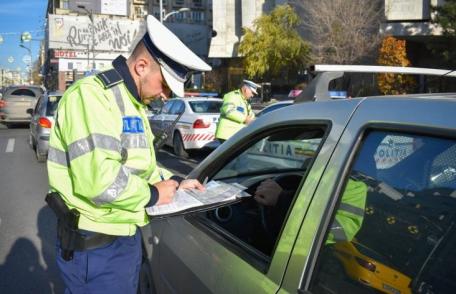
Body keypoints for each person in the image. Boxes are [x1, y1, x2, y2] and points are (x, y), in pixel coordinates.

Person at [46, 15, 211, 294]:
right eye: (165, 85)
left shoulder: (132, 103)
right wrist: (155, 194)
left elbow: (140, 167)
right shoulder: (92, 96)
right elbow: (99, 181)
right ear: (142, 65)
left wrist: (172, 182)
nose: (165, 96)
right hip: (96, 245)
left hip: (122, 236)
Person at [254, 177, 367, 245]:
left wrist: (282, 199)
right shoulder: (324, 165)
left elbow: (340, 232)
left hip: (306, 266)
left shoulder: (354, 186)